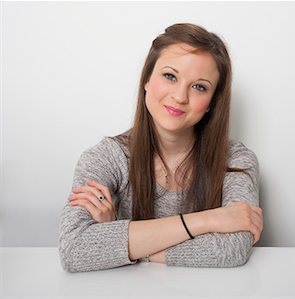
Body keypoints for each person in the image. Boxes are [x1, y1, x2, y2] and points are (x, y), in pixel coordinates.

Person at [58, 23, 263, 273]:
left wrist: (120, 242)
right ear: (146, 79)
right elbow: (74, 249)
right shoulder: (107, 157)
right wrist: (211, 219)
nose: (179, 96)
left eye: (199, 86)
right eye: (170, 76)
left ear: (212, 102)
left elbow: (233, 248)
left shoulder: (236, 161)